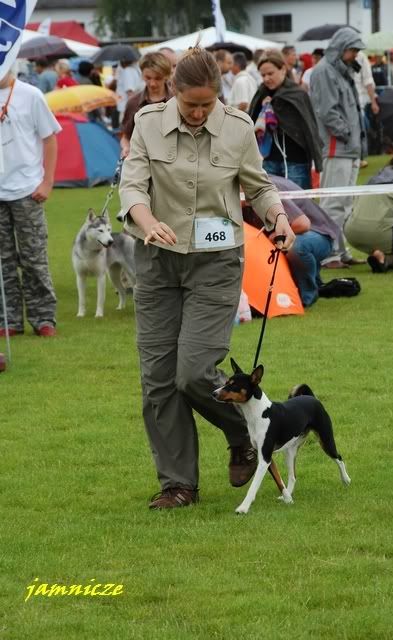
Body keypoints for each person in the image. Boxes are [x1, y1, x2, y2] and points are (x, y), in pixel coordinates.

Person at [119, 46, 295, 510]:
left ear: (219, 94)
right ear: (172, 90)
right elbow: (132, 185)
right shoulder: (147, 123)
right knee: (158, 380)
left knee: (194, 371)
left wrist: (277, 217)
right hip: (157, 261)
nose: (198, 113)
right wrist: (146, 220)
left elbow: (258, 185)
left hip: (216, 263)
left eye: (207, 104)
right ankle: (178, 484)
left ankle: (244, 434)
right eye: (189, 104)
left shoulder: (237, 127)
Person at [0, 71, 61, 337]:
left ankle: (43, 317)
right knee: (2, 261)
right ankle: (8, 319)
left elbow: (50, 139)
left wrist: (47, 182)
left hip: (27, 190)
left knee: (34, 257)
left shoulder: (31, 95)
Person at [310, 27, 366, 268]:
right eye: (352, 50)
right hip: (337, 146)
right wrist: (346, 133)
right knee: (333, 202)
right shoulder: (324, 71)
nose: (355, 55)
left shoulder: (340, 71)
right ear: (341, 48)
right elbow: (327, 111)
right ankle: (329, 254)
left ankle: (341, 251)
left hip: (348, 147)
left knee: (344, 203)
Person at [249, 49, 322, 189]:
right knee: (270, 201)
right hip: (268, 161)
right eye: (263, 75)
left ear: (282, 69)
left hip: (296, 162)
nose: (266, 78)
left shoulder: (297, 94)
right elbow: (251, 124)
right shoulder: (260, 94)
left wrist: (275, 107)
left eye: (270, 73)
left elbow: (310, 128)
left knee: (299, 201)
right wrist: (263, 110)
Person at [344, 154, 393, 273]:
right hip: (378, 234)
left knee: (375, 241)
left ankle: (377, 255)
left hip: (351, 233)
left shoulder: (370, 180)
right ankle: (383, 259)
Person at [269, 175, 340, 307]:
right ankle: (315, 281)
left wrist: (274, 235)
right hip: (306, 233)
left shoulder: (268, 189)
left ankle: (307, 296)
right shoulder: (258, 183)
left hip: (320, 234)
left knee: (296, 247)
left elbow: (302, 224)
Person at [120, 52, 173, 158]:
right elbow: (126, 137)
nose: (152, 83)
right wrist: (126, 148)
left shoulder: (178, 101)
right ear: (142, 75)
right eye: (148, 78)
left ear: (166, 76)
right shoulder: (133, 103)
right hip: (142, 161)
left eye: (158, 78)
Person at [353, 50, 380, 168]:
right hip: (358, 102)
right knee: (362, 130)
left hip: (359, 102)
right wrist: (373, 102)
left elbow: (368, 81)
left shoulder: (360, 57)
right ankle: (358, 157)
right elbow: (368, 81)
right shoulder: (361, 57)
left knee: (362, 129)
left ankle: (358, 157)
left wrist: (373, 102)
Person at [116, 57, 144, 123]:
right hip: (131, 110)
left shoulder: (129, 70)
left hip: (130, 110)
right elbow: (130, 93)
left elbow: (130, 93)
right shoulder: (131, 71)